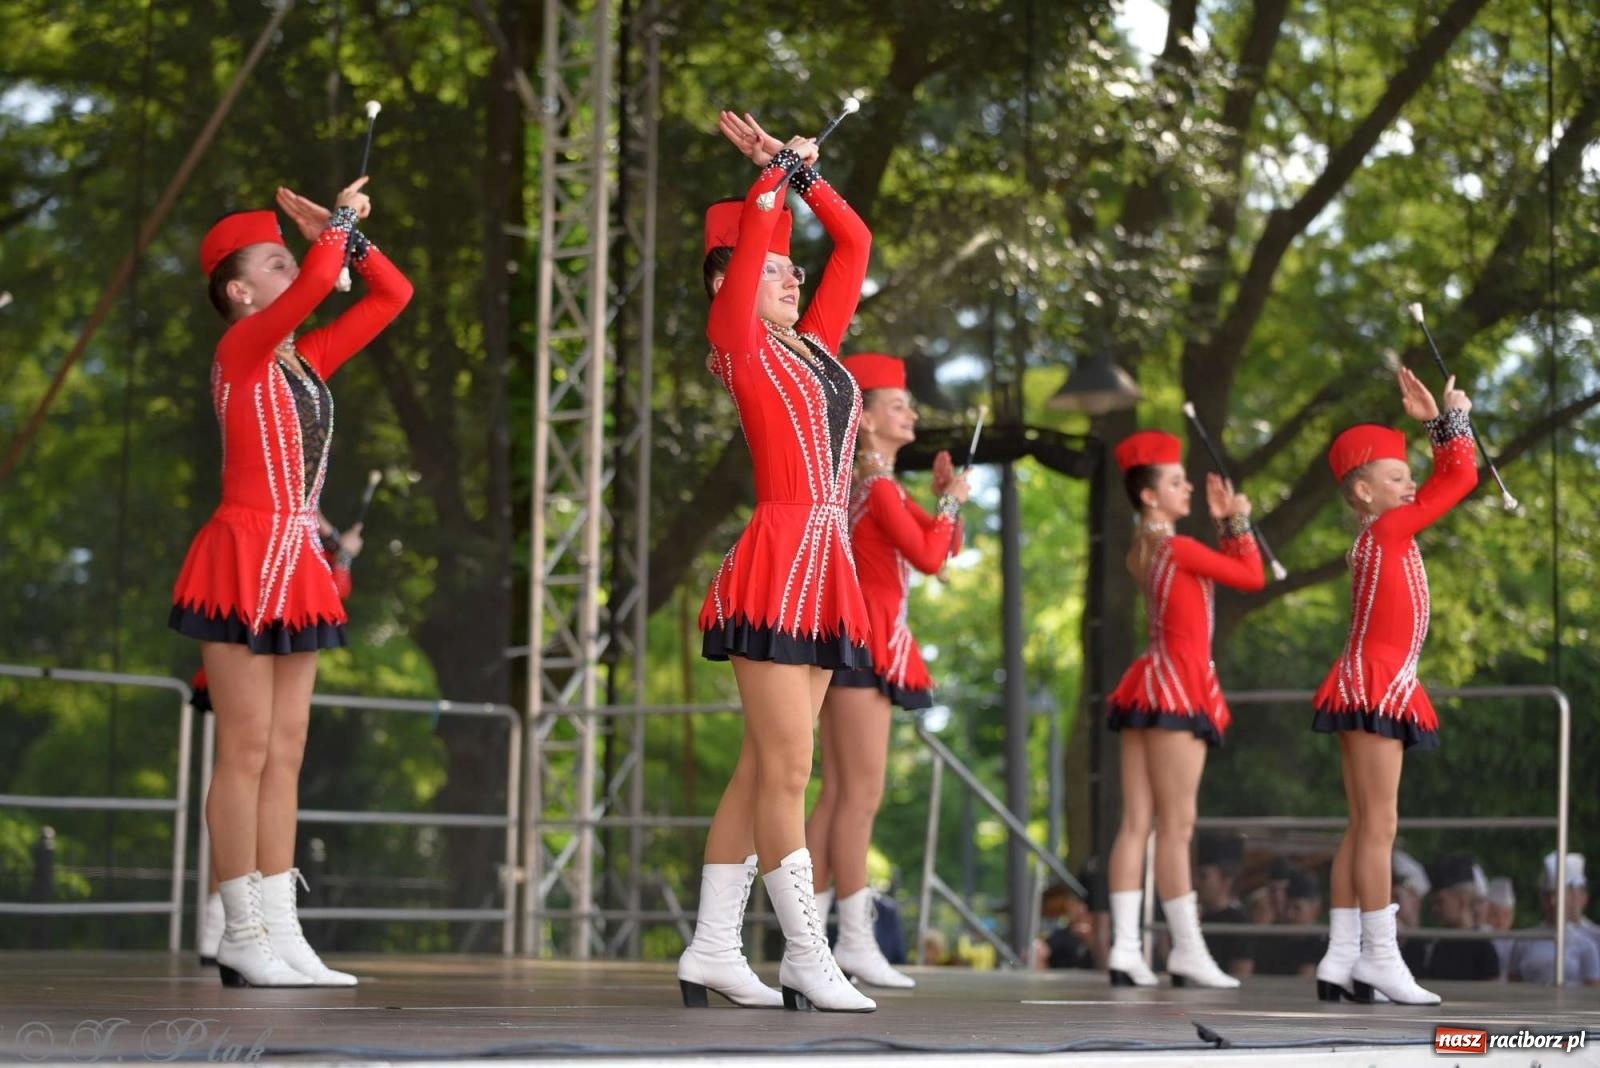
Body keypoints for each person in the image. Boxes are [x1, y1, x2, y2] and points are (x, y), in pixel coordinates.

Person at [169, 179, 412, 987]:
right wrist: (333, 226)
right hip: (241, 557)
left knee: (286, 750)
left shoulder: (305, 360)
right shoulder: (239, 351)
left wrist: (344, 238)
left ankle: (283, 930)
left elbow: (394, 294)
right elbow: (315, 285)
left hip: (297, 561)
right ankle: (240, 931)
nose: (295, 269)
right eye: (274, 262)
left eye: (290, 258)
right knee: (242, 749)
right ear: (239, 293)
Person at [675, 112, 875, 1014]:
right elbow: (756, 243)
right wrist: (768, 179)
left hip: (827, 566)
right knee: (790, 770)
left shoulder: (817, 344)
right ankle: (805, 953)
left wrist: (803, 179)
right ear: (729, 281)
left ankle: (714, 949)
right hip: (777, 563)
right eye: (775, 268)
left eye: (796, 267)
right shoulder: (737, 341)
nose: (795, 275)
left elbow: (855, 242)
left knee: (763, 769)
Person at [1310, 368, 1476, 1006]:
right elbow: (1458, 478)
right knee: (1380, 825)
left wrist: (1436, 422)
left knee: (1362, 825)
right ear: (1364, 491)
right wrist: (1451, 419)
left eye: (1410, 477)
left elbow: (1443, 481)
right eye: (1398, 477)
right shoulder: (1387, 530)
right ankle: (1380, 956)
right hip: (1377, 684)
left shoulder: (1382, 531)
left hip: (1369, 680)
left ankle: (1341, 956)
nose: (1412, 486)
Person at [802, 352, 968, 989]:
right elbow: (930, 555)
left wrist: (947, 503)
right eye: (898, 405)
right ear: (866, 419)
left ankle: (810, 937)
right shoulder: (876, 488)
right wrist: (949, 503)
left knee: (839, 794)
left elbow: (941, 544)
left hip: (859, 643)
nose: (912, 414)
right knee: (857, 796)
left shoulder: (873, 488)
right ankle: (852, 938)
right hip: (865, 646)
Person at [1103, 430, 1264, 989]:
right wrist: (1236, 522)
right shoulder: (1177, 548)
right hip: (1179, 687)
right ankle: (1188, 950)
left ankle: (1126, 949)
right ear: (1150, 495)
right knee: (1177, 825)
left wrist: (1224, 523)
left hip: (1148, 684)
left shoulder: (1144, 548)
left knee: (1136, 823)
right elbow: (1251, 576)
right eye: (1176, 482)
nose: (1188, 487)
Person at [194, 515, 364, 964]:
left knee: (267, 763)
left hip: (282, 604)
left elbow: (332, 588)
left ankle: (254, 921)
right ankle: (229, 919)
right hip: (249, 605)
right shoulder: (285, 518)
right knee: (245, 761)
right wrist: (341, 547)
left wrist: (339, 549)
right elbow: (329, 562)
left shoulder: (305, 535)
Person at [1507, 853, 1600, 986]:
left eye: (1558, 894)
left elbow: (1593, 989)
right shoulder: (1524, 940)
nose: (1552, 902)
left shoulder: (1588, 943)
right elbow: (1513, 985)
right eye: (1547, 895)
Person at [1402, 855, 1499, 982]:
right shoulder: (1430, 946)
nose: (1434, 910)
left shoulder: (1483, 948)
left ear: (1461, 902)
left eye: (1440, 902)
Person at [1194, 833, 1255, 978]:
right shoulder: (1196, 918)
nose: (1196, 882)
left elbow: (1241, 974)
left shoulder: (1239, 924)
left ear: (1226, 879)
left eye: (1203, 876)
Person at [1255, 870, 1324, 978]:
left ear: (1315, 910)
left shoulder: (1326, 945)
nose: (1289, 914)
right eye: (1286, 907)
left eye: (1297, 908)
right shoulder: (1272, 943)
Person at [1484, 876, 1516, 978]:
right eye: (1495, 914)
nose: (1500, 920)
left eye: (1506, 915)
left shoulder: (1516, 942)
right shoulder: (1482, 938)